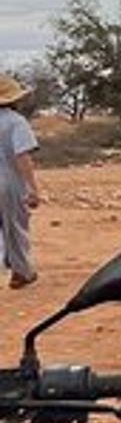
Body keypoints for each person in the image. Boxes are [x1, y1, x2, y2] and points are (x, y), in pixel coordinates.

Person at [0, 76, 41, 289]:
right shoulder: (16, 122)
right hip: (9, 181)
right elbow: (22, 156)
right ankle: (21, 272)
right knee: (15, 225)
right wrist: (33, 188)